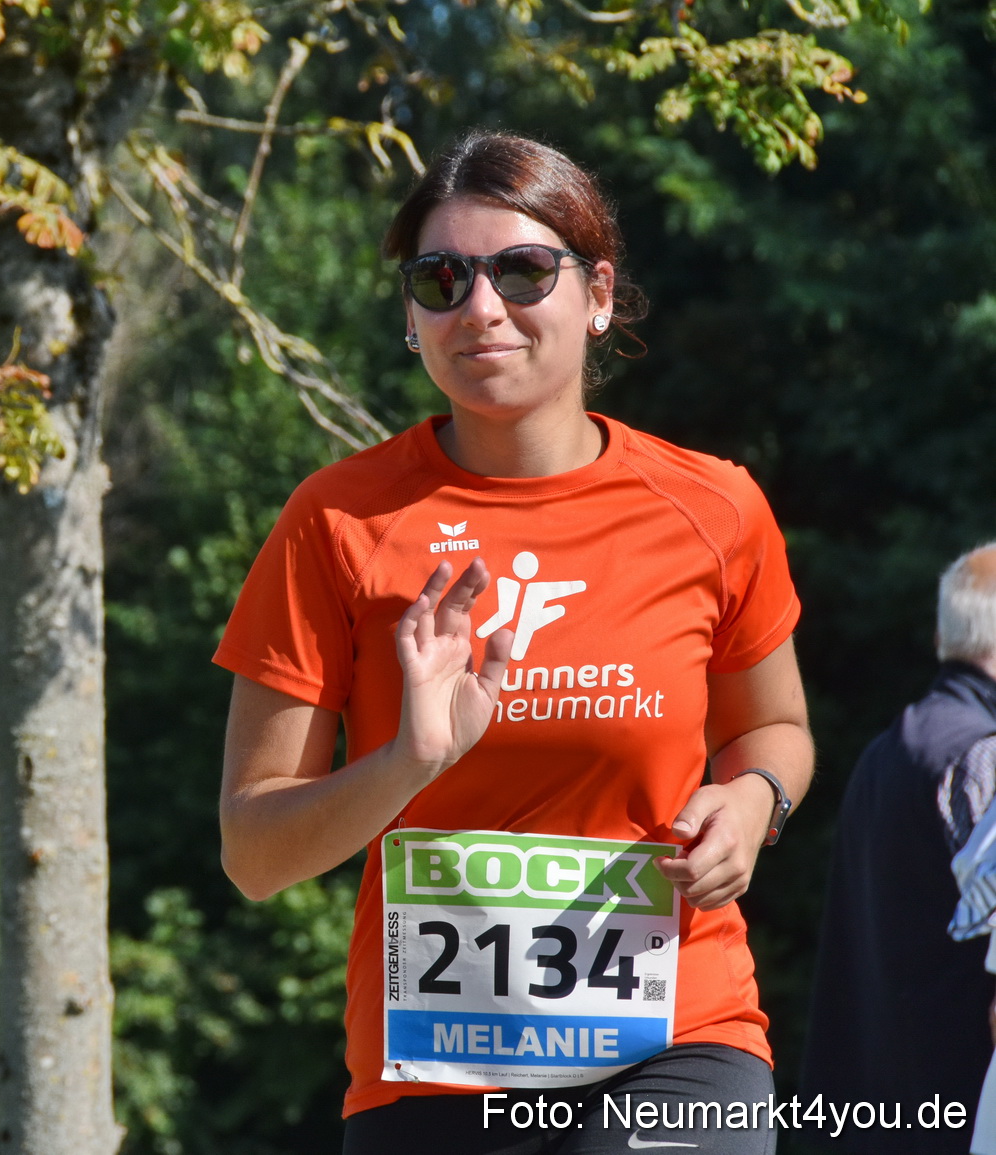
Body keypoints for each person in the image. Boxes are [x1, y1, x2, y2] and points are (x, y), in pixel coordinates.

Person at [213, 131, 813, 1155]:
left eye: (522, 271)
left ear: (598, 293)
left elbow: (777, 729)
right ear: (411, 316)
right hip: (433, 1077)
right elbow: (254, 854)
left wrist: (754, 802)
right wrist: (407, 762)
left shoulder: (713, 507)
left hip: (678, 1045)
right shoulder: (337, 523)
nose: (479, 309)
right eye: (439, 279)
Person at [799, 543, 996, 1152]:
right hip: (955, 1116)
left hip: (869, 1113)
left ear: (945, 631)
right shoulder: (982, 755)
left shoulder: (888, 748)